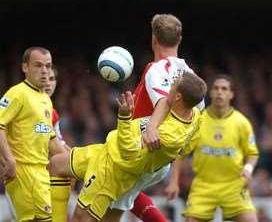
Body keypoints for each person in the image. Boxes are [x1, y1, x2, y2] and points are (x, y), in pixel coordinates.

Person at [49, 72, 207, 222]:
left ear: (179, 96)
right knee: (56, 164)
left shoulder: (168, 136)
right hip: (105, 151)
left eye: (173, 85)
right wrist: (152, 128)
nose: (169, 87)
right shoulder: (193, 113)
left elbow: (128, 153)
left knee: (81, 218)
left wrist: (124, 117)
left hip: (113, 170)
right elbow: (167, 103)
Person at [130, 13, 204, 222]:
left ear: (153, 38)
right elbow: (194, 121)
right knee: (123, 196)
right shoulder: (191, 79)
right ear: (180, 39)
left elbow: (163, 103)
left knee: (97, 204)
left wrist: (152, 129)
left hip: (142, 150)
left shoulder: (156, 70)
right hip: (161, 158)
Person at [0, 47, 67, 222]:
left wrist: (75, 161)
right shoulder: (18, 93)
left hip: (41, 174)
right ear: (25, 67)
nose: (44, 71)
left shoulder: (45, 99)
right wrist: (9, 160)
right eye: (38, 65)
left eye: (48, 66)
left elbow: (50, 139)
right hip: (24, 172)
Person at [166, 74, 259, 222]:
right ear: (210, 93)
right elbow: (180, 153)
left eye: (224, 89)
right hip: (204, 185)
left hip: (234, 184)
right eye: (216, 88)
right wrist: (173, 182)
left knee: (250, 219)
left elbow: (252, 153)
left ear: (231, 94)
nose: (219, 92)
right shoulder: (199, 120)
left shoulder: (241, 122)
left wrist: (248, 170)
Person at [44, 67, 71, 222]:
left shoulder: (52, 113)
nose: (48, 83)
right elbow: (52, 145)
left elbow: (59, 143)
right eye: (45, 78)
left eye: (52, 79)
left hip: (43, 175)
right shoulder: (31, 106)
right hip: (24, 174)